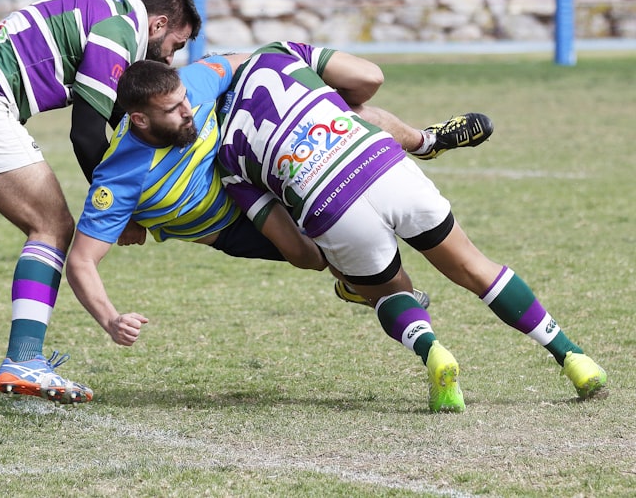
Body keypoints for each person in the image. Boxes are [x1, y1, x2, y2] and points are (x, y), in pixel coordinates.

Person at [209, 41, 606, 412]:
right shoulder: (277, 53)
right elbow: (371, 78)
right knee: (475, 267)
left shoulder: (223, 152)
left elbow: (295, 250)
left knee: (389, 294)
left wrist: (337, 266)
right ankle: (573, 357)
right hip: (382, 163)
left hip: (331, 209)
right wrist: (332, 102)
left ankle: (434, 351)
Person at [0, 0, 203, 410]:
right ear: (159, 23)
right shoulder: (117, 30)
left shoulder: (100, 14)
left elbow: (114, 117)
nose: (172, 57)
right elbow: (87, 134)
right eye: (176, 44)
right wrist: (120, 215)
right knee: (53, 227)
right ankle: (25, 360)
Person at [65, 46, 489, 346]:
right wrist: (111, 319)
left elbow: (237, 61)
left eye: (185, 101)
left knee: (339, 110)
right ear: (139, 119)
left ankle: (424, 141)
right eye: (174, 110)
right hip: (229, 224)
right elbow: (82, 261)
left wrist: (297, 81)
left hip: (249, 158)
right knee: (311, 256)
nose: (187, 110)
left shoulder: (189, 86)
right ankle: (358, 282)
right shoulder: (119, 178)